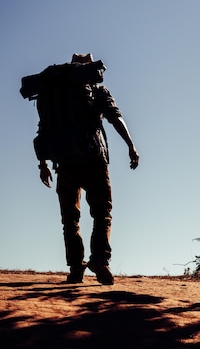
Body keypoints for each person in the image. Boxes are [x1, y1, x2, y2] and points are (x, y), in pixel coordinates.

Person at [35, 53, 139, 285]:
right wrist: (131, 145)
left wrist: (42, 164)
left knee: (69, 219)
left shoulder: (52, 96)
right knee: (102, 212)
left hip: (64, 164)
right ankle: (100, 260)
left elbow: (42, 129)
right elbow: (115, 118)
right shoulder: (96, 90)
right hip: (94, 161)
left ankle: (75, 268)